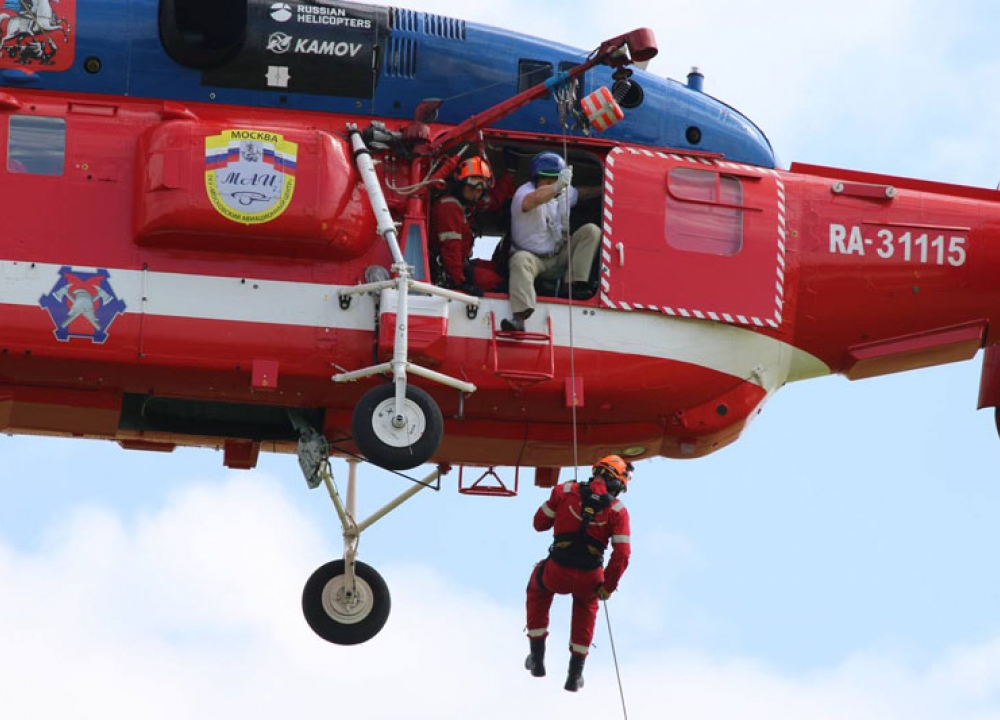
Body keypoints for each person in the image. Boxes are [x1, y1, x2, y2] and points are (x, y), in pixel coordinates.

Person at [524, 455, 633, 692]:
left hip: (557, 570)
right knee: (587, 607)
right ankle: (575, 674)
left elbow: (539, 523)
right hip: (589, 575)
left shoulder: (564, 491)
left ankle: (536, 657)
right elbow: (622, 555)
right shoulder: (618, 511)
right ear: (618, 484)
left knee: (537, 588)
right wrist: (608, 586)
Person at [501, 152, 601, 332]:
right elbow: (534, 199)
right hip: (534, 259)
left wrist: (605, 188)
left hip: (558, 255)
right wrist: (557, 186)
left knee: (591, 231)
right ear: (537, 180)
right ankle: (520, 317)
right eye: (548, 181)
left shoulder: (563, 192)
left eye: (555, 181)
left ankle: (572, 286)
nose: (552, 185)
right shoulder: (524, 193)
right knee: (520, 260)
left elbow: (582, 194)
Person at [429, 155, 513, 296]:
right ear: (460, 184)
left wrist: (510, 174)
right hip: (450, 270)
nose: (475, 194)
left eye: (479, 190)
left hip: (461, 264)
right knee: (499, 282)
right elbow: (451, 249)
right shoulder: (449, 208)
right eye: (471, 188)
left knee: (498, 268)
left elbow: (493, 201)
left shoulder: (468, 204)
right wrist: (461, 283)